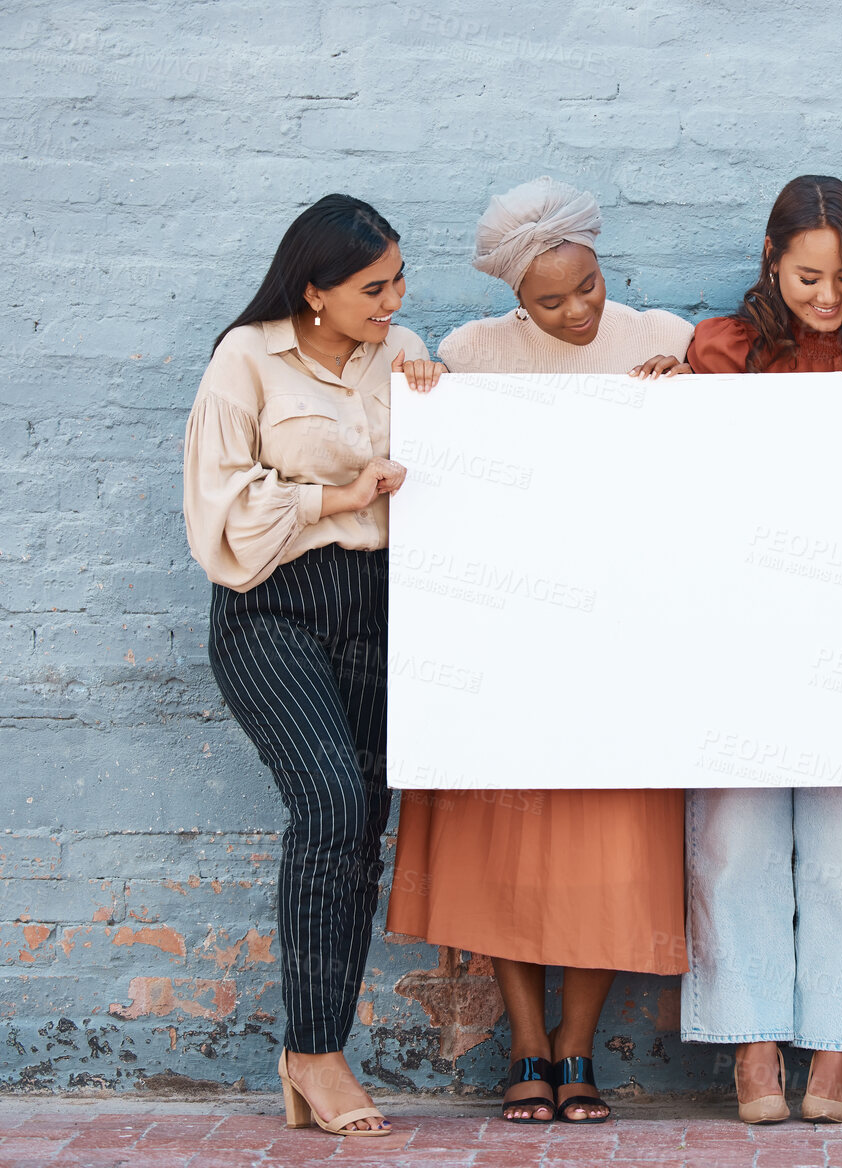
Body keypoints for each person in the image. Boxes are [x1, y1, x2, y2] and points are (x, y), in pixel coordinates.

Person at [383, 177, 692, 1126]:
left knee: (615, 848)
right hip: (509, 646)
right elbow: (439, 465)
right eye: (548, 300)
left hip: (623, 643)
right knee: (504, 852)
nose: (574, 311)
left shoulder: (663, 339)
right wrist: (430, 397)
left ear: (605, 270)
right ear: (515, 296)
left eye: (587, 289)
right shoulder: (471, 354)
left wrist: (692, 396)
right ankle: (526, 1042)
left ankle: (576, 1050)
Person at [184, 194, 443, 1137]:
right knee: (330, 801)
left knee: (361, 823)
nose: (395, 297)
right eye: (373, 286)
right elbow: (219, 508)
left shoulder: (400, 347)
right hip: (273, 607)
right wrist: (337, 496)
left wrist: (435, 391)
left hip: (380, 608)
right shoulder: (246, 358)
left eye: (399, 278)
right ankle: (314, 1054)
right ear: (314, 290)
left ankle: (315, 1048)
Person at [680, 174, 842, 1124]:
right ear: (772, 261)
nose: (829, 298)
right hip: (739, 622)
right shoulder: (723, 348)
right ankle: (751, 1044)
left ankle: (838, 1049)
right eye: (809, 276)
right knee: (734, 837)